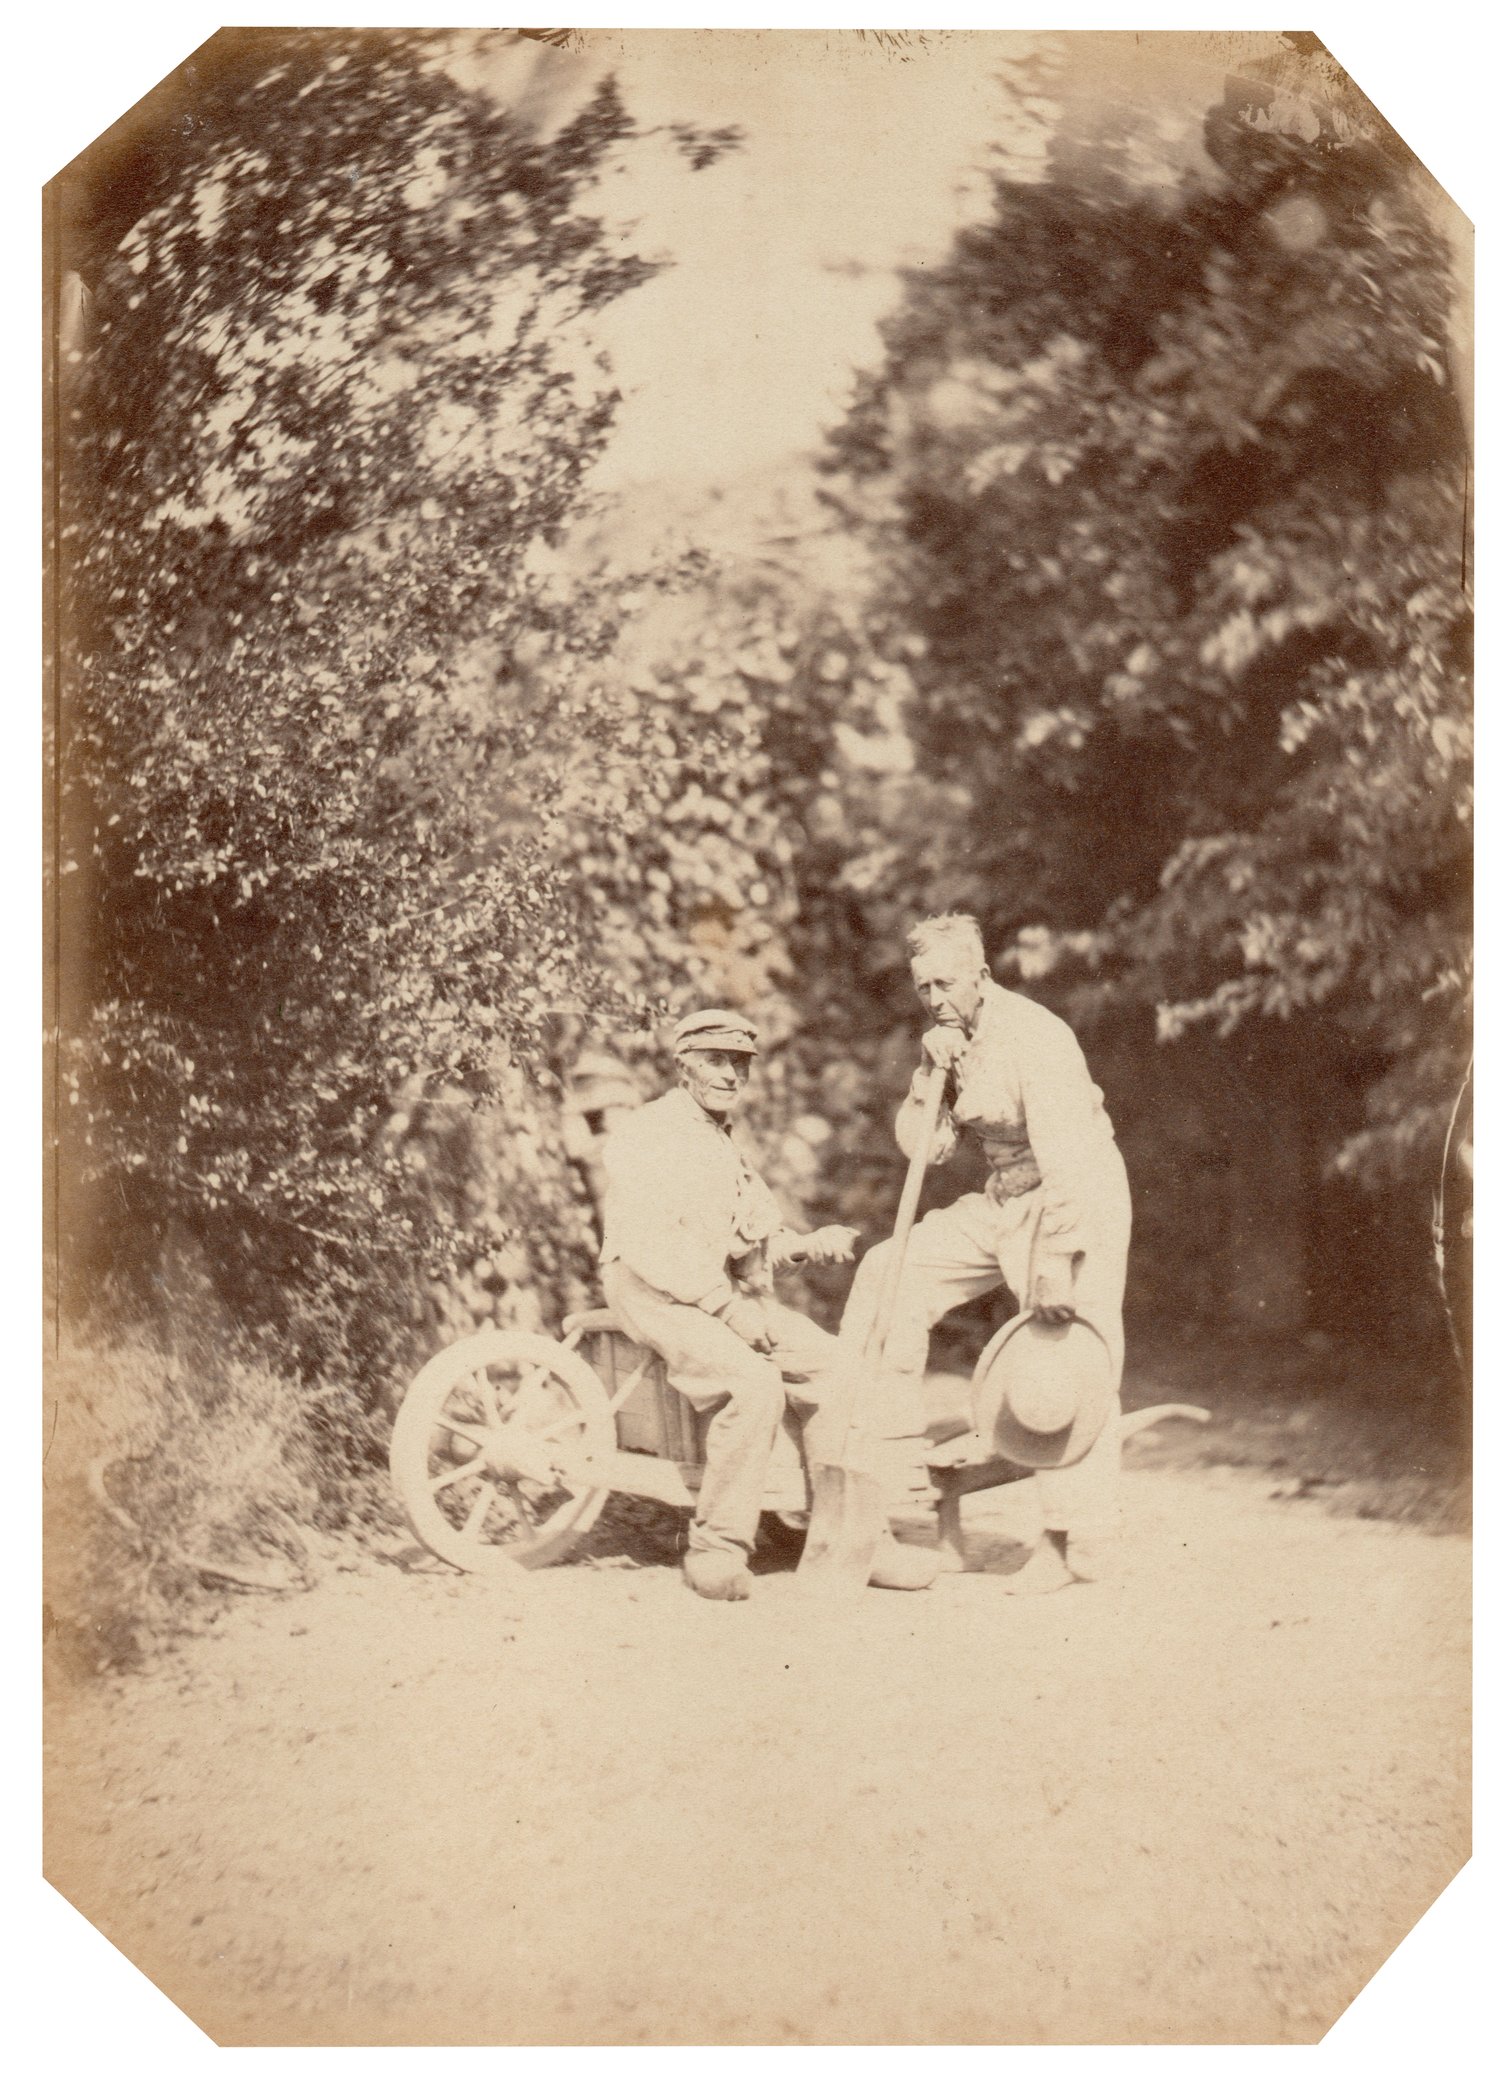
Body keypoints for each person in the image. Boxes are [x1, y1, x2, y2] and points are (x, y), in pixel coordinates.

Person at [599, 1008, 940, 1601]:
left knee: (839, 1367)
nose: (730, 1075)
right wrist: (730, 1311)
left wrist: (805, 1245)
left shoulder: (725, 1140)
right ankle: (717, 1549)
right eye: (715, 1061)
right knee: (752, 1384)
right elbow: (654, 1245)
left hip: (715, 1293)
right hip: (651, 1289)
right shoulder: (649, 1132)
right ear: (683, 1066)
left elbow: (748, 1241)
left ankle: (857, 1539)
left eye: (739, 1064)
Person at [840, 915, 1132, 1593]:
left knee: (1066, 1356)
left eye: (946, 983)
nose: (935, 998)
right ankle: (886, 1466)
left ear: (982, 976)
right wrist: (929, 1076)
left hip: (1075, 1197)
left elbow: (1067, 1155)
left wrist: (1056, 1257)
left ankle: (1069, 1540)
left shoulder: (1035, 1036)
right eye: (924, 987)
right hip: (1004, 1194)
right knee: (888, 1272)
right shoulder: (947, 1044)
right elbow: (925, 1149)